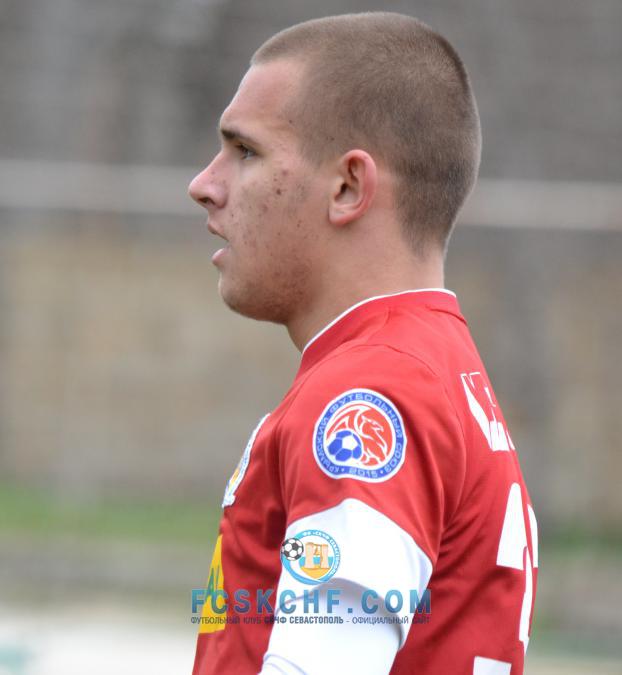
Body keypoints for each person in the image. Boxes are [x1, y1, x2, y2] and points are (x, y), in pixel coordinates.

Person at [188, 12, 538, 675]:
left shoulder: (371, 392)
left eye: (246, 151)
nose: (205, 184)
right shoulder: (434, 367)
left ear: (348, 187)